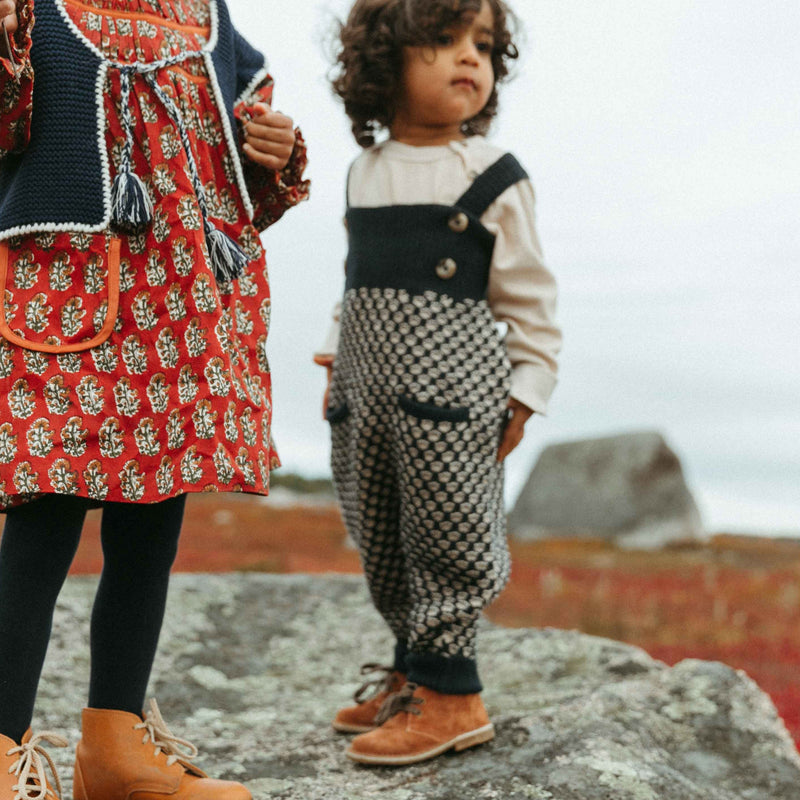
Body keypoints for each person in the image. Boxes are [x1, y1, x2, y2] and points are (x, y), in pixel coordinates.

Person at [0, 0, 308, 796]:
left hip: (181, 300)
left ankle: (115, 744)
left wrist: (270, 147)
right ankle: (0, 746)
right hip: (66, 291)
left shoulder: (207, 14)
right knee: (43, 516)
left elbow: (240, 143)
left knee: (155, 515)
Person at [314, 0, 561, 766]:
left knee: (451, 530)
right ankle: (412, 673)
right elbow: (353, 282)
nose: (470, 58)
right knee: (381, 527)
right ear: (385, 63)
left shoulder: (490, 174)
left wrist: (528, 389)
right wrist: (333, 360)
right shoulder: (366, 171)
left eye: (483, 45)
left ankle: (454, 693)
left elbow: (530, 298)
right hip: (366, 388)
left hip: (452, 397)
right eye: (445, 40)